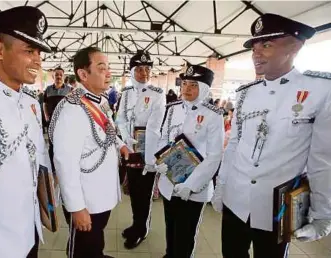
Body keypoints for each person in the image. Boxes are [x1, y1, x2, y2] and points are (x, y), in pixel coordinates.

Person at [212, 13, 331, 258]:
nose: (256, 53)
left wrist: (322, 214)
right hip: (236, 201)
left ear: (295, 46)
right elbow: (233, 146)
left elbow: (322, 160)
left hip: (276, 208)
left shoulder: (320, 90)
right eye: (254, 47)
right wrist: (221, 188)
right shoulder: (245, 93)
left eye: (266, 45)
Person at [0, 6, 52, 258]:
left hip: (29, 233)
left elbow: (37, 162)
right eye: (29, 51)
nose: (37, 60)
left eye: (38, 52)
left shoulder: (29, 102)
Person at [49, 46, 130, 258]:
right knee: (82, 247)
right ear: (83, 74)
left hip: (101, 191)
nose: (109, 73)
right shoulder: (72, 110)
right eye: (102, 68)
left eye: (108, 67)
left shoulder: (100, 100)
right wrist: (76, 207)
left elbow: (107, 129)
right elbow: (64, 163)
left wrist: (120, 144)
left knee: (95, 239)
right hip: (86, 198)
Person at [157, 64, 224, 258]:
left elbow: (214, 155)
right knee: (170, 227)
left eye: (193, 85)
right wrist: (160, 160)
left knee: (185, 233)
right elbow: (163, 138)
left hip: (194, 186)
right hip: (170, 180)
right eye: (184, 83)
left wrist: (191, 184)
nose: (186, 88)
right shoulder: (172, 109)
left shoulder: (213, 115)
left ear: (204, 89)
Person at [116, 50, 166, 249]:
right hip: (130, 149)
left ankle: (142, 229)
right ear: (132, 71)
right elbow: (120, 118)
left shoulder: (157, 94)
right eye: (139, 69)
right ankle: (136, 224)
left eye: (147, 69)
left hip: (147, 150)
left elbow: (154, 128)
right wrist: (125, 137)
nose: (144, 73)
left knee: (144, 193)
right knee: (134, 191)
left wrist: (150, 159)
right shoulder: (126, 93)